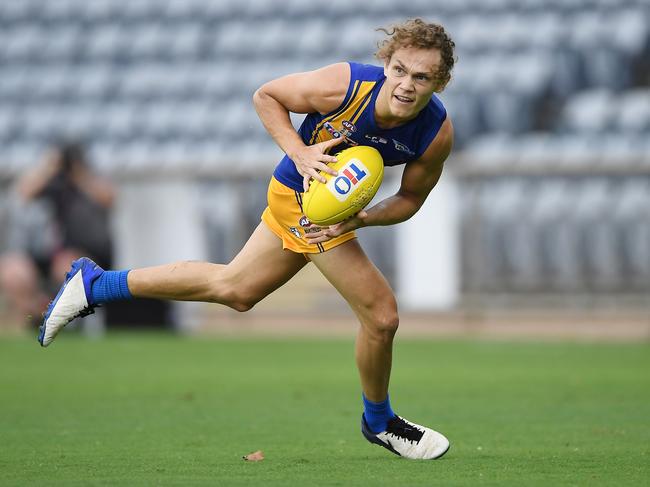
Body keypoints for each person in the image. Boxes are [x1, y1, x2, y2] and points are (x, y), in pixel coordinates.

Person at [38, 19, 456, 460]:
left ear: (440, 82)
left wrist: (361, 220)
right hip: (297, 198)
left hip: (326, 212)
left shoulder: (435, 133)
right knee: (382, 316)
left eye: (422, 77)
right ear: (385, 64)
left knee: (235, 289)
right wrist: (299, 150)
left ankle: (94, 284)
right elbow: (267, 95)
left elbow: (410, 197)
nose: (407, 85)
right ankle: (379, 421)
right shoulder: (346, 86)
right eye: (400, 70)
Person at [0, 141, 115, 328]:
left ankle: (68, 323)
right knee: (12, 271)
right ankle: (33, 318)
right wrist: (49, 167)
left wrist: (79, 174)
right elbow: (22, 193)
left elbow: (109, 198)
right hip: (40, 252)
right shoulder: (48, 179)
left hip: (80, 253)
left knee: (67, 265)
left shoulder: (88, 180)